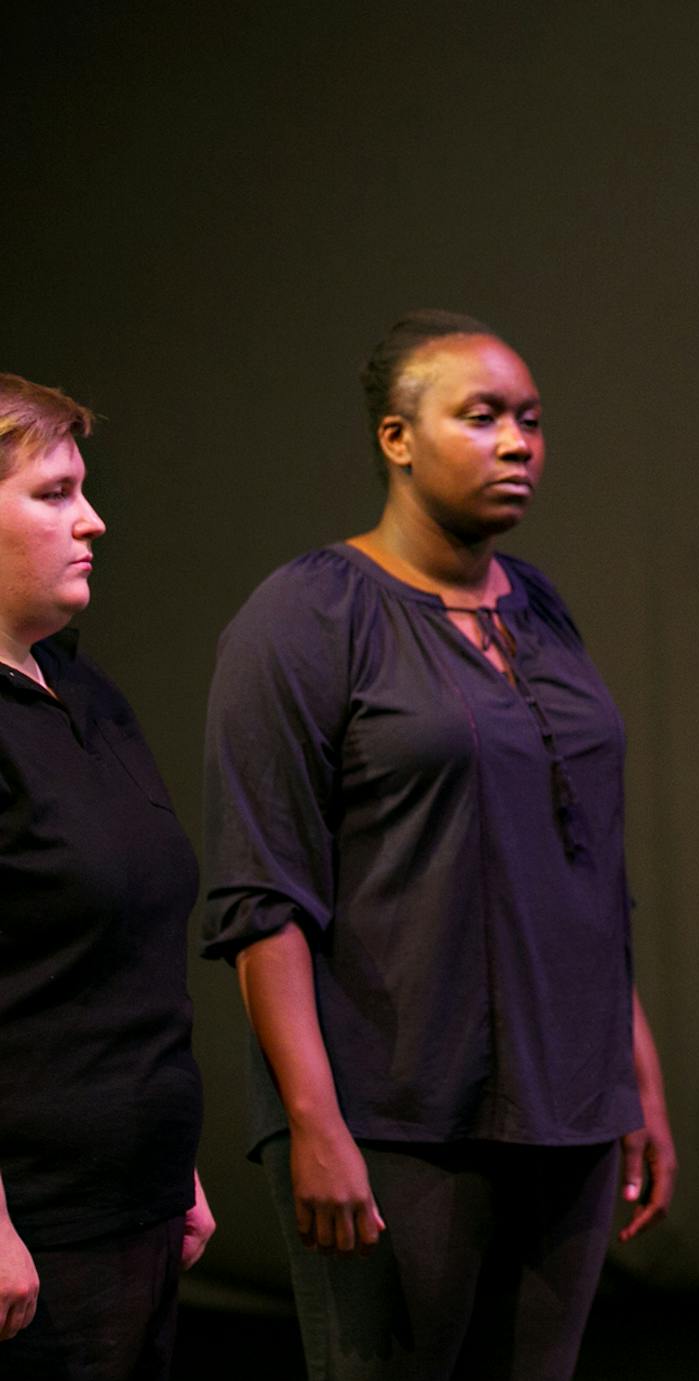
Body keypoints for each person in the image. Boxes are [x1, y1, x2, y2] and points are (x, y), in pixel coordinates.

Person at [201, 313, 676, 1381]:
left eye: (531, 420)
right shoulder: (308, 615)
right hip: (394, 1114)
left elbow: (586, 871)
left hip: (569, 1104)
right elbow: (261, 895)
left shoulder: (539, 608)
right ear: (397, 437)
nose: (517, 443)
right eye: (481, 417)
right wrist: (313, 1122)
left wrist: (632, 1076)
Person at [0, 373, 215, 1378]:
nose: (92, 520)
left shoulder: (85, 692)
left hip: (136, 1203)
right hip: (35, 1223)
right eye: (53, 493)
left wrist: (173, 1164)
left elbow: (123, 960)